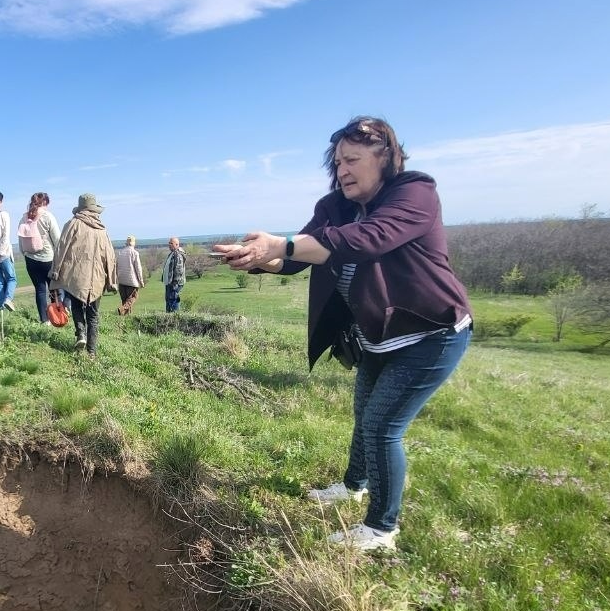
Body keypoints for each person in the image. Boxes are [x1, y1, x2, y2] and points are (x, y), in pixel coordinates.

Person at [216, 116, 471, 552]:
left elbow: (367, 239)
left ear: (386, 157)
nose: (343, 171)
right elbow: (299, 257)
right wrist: (258, 257)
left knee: (382, 426)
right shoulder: (335, 205)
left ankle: (381, 529)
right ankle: (354, 484)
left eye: (352, 159)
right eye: (337, 162)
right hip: (376, 335)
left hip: (431, 334)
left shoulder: (414, 192)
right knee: (365, 417)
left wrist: (282, 245)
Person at [50, 193, 117, 356]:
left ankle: (81, 333)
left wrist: (55, 269)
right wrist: (112, 280)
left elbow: (61, 248)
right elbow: (110, 256)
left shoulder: (72, 224)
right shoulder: (102, 230)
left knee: (77, 306)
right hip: (97, 277)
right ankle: (92, 352)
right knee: (93, 314)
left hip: (76, 275)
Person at [19, 192, 65, 323]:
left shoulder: (24, 217)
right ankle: (58, 318)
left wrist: (26, 254)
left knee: (39, 290)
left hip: (30, 260)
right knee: (54, 290)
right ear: (45, 202)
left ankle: (45, 320)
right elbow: (57, 239)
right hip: (47, 258)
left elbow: (20, 239)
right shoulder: (48, 216)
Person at [115, 235, 145, 316]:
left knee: (124, 300)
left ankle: (126, 318)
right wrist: (141, 281)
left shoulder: (120, 253)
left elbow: (116, 266)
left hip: (121, 281)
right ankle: (122, 308)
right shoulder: (135, 253)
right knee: (133, 297)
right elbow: (138, 268)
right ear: (133, 243)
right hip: (132, 281)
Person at [162, 237, 186, 312]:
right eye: (169, 243)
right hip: (169, 282)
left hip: (174, 283)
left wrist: (174, 284)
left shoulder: (178, 254)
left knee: (173, 301)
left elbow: (179, 270)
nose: (169, 245)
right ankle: (168, 318)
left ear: (177, 244)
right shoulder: (172, 253)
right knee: (169, 300)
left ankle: (174, 318)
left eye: (171, 243)